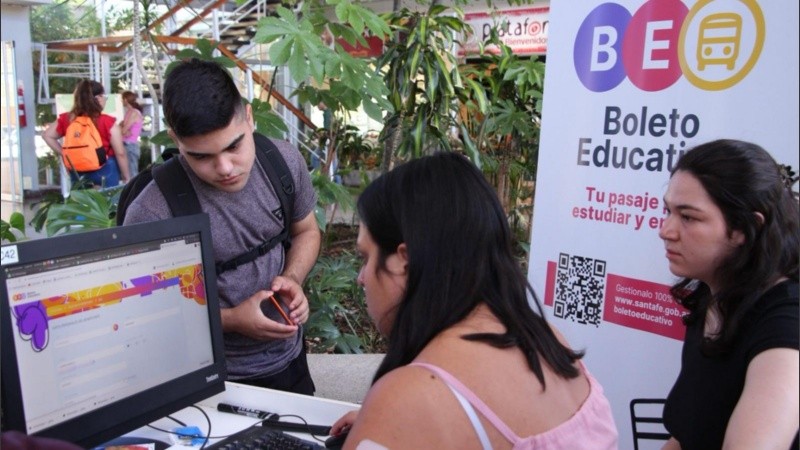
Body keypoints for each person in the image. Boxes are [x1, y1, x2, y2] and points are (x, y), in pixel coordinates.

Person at [330, 152, 618, 449]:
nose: (361, 278)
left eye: (365, 257)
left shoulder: (411, 398)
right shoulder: (549, 341)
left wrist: (390, 419)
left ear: (404, 260)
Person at [122, 59, 321, 395]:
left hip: (290, 363)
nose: (225, 167)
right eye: (201, 157)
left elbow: (307, 231)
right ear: (175, 139)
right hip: (205, 382)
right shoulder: (153, 210)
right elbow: (144, 313)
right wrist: (231, 320)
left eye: (234, 145)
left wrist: (292, 278)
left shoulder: (283, 162)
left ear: (250, 116)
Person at [658, 139, 799, 450]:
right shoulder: (710, 297)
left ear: (744, 228)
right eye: (667, 211)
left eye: (688, 217)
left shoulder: (787, 323)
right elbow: (685, 438)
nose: (665, 230)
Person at [43, 79, 130, 187]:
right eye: (104, 97)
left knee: (81, 203)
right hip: (106, 168)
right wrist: (127, 177)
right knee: (108, 202)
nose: (105, 100)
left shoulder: (67, 118)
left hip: (77, 169)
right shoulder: (107, 121)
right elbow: (120, 153)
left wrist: (64, 153)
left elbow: (47, 135)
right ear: (98, 98)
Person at [120, 90, 144, 178]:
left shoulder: (134, 112)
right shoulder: (128, 112)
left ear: (126, 100)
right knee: (126, 174)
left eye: (122, 99)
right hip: (126, 144)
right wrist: (123, 129)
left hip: (130, 145)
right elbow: (122, 129)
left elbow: (123, 130)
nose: (121, 101)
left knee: (132, 174)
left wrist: (123, 129)